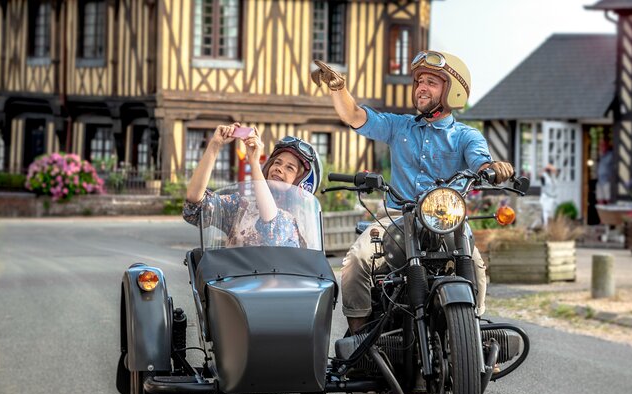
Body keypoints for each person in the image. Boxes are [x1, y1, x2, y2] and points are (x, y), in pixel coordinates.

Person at [311, 50, 514, 333]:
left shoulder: (466, 136)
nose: (422, 87)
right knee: (356, 260)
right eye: (419, 81)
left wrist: (492, 167)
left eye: (432, 82)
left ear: (451, 91)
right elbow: (355, 116)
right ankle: (358, 337)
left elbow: (480, 160)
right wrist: (339, 89)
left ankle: (472, 337)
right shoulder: (399, 126)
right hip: (397, 217)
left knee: (476, 269)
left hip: (446, 221)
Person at [183, 123, 322, 248]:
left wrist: (254, 162)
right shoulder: (241, 207)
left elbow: (271, 223)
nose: (279, 168)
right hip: (236, 276)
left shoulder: (298, 222)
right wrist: (214, 145)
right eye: (277, 163)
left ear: (302, 182)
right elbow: (195, 201)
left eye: (290, 168)